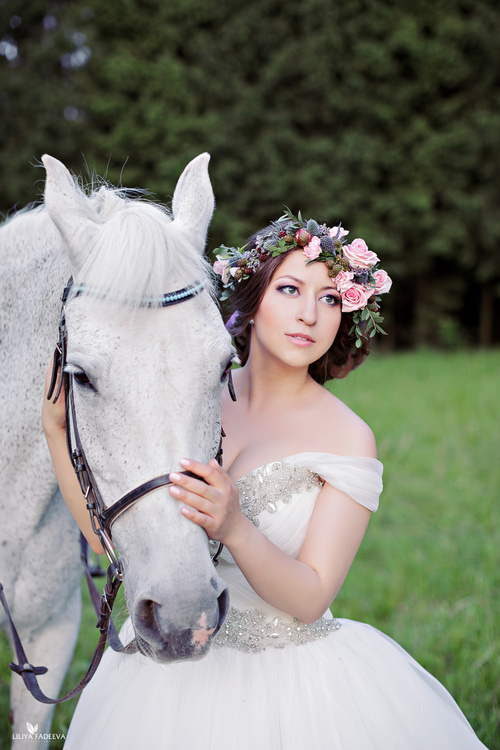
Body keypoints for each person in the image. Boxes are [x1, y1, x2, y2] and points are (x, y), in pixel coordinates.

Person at [43, 209, 487, 749]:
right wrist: (54, 430)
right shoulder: (192, 398)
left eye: (328, 298)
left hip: (286, 685)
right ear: (252, 299)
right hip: (161, 670)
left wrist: (236, 526)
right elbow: (119, 545)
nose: (309, 315)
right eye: (290, 288)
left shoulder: (347, 438)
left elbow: (311, 597)